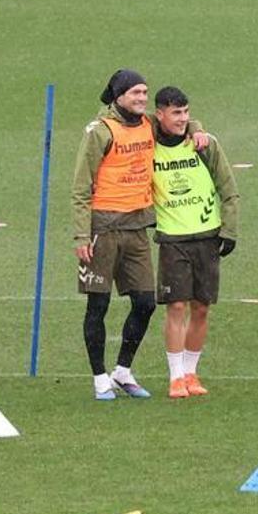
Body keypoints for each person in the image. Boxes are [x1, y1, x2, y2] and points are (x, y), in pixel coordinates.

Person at [72, 69, 207, 401]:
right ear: (119, 96)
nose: (142, 99)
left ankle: (122, 371)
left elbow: (181, 123)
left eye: (145, 93)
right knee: (98, 304)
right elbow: (80, 188)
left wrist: (199, 130)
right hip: (102, 229)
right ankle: (99, 377)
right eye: (136, 93)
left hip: (136, 229)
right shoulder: (100, 132)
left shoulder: (147, 124)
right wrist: (80, 236)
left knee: (145, 302)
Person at [149, 87, 240, 399]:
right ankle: (175, 377)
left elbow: (228, 188)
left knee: (201, 308)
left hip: (207, 235)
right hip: (172, 238)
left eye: (187, 113)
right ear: (159, 113)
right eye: (176, 113)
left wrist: (229, 230)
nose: (183, 119)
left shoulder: (204, 144)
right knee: (175, 305)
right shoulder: (148, 144)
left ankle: (191, 372)